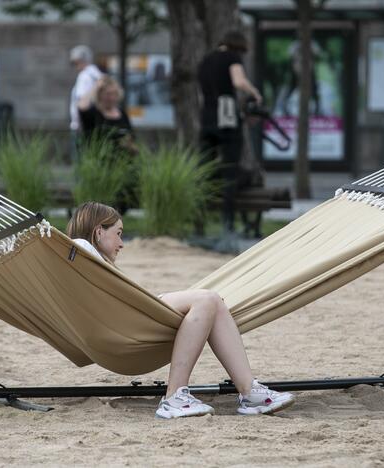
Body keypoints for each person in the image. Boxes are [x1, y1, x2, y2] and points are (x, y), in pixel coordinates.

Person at [66, 201, 296, 419]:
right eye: (118, 233)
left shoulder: (88, 259)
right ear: (98, 232)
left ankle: (249, 391)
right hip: (131, 321)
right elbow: (78, 246)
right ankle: (174, 397)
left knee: (213, 302)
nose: (122, 243)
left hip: (134, 314)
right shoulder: (83, 248)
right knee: (207, 300)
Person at [197, 30, 262, 236]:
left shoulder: (206, 60)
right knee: (230, 172)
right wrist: (255, 93)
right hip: (227, 119)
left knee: (204, 171)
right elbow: (238, 82)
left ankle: (198, 225)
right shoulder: (231, 57)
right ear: (238, 46)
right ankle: (228, 224)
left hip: (207, 118)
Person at [78, 76, 135, 153]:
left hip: (122, 160)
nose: (111, 98)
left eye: (114, 94)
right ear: (100, 95)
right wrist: (95, 87)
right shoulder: (93, 113)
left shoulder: (122, 113)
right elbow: (82, 106)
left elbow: (130, 135)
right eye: (108, 94)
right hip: (99, 159)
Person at [69, 45, 103, 163]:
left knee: (81, 162)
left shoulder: (85, 76)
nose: (75, 66)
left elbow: (82, 102)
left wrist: (79, 125)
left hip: (82, 127)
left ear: (80, 60)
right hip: (97, 125)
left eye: (74, 63)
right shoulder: (98, 76)